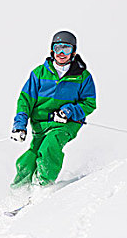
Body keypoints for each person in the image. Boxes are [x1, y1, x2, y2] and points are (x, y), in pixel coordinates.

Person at [10, 30, 96, 188]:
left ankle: (43, 185)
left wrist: (69, 111)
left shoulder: (83, 77)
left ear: (74, 52)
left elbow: (89, 103)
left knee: (50, 145)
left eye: (67, 48)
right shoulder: (39, 74)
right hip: (40, 124)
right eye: (58, 48)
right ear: (52, 50)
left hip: (65, 124)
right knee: (29, 158)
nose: (62, 53)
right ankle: (19, 192)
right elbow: (25, 101)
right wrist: (20, 125)